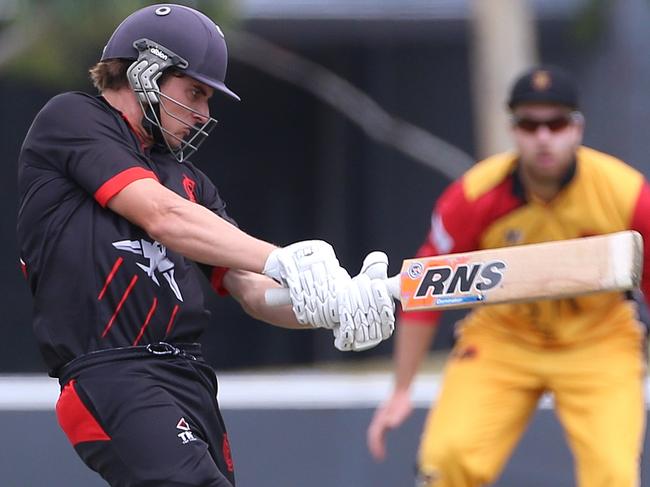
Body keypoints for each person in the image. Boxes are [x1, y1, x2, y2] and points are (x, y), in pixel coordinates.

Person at [16, 4, 395, 486]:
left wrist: (335, 304)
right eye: (195, 91)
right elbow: (161, 215)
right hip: (113, 372)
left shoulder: (192, 184)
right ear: (146, 69)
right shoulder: (72, 118)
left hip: (189, 379)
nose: (204, 113)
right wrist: (283, 259)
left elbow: (253, 289)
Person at [367, 65, 650, 487]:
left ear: (577, 128)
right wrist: (401, 390)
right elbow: (424, 287)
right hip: (503, 337)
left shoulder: (625, 193)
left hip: (598, 340)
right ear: (513, 130)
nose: (543, 138)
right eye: (529, 124)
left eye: (555, 123)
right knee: (446, 460)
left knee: (612, 473)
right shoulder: (475, 195)